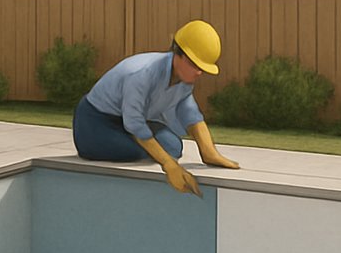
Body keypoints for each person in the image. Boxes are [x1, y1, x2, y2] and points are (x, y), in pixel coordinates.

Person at [72, 19, 240, 196]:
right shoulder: (142, 74)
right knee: (136, 151)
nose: (198, 72)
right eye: (194, 65)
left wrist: (209, 152)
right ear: (178, 54)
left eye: (202, 68)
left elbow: (190, 115)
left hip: (126, 121)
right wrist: (169, 165)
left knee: (174, 146)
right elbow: (135, 124)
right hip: (95, 121)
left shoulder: (184, 82)